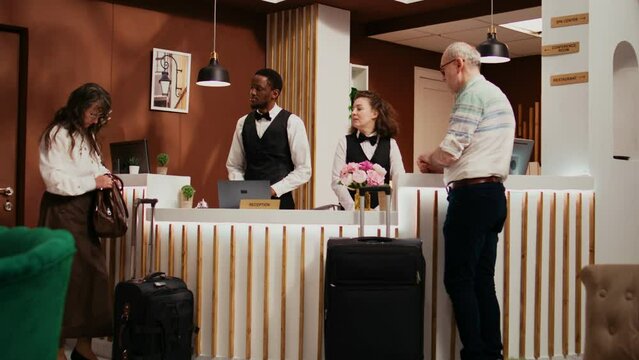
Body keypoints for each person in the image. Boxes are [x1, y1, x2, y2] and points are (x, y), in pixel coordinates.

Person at [417, 42, 515, 360]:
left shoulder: (471, 94)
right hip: (494, 196)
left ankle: (474, 353)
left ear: (458, 64)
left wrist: (430, 158)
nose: (444, 81)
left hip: (472, 196)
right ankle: (492, 353)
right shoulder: (497, 93)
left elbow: (451, 148)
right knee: (483, 280)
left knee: (459, 279)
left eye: (444, 72)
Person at [38, 83, 114, 360]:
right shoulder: (57, 134)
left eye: (100, 115)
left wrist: (105, 176)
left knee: (94, 277)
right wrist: (92, 181)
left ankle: (84, 345)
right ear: (78, 106)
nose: (95, 119)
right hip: (61, 211)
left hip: (85, 213)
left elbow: (94, 168)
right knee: (63, 278)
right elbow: (53, 180)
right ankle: (56, 348)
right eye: (93, 112)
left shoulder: (88, 137)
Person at [226, 68, 312, 209]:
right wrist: (241, 188)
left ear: (274, 94)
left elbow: (303, 169)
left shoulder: (292, 122)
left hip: (281, 203)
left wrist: (274, 189)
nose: (252, 93)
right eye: (252, 88)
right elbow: (234, 165)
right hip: (247, 204)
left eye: (258, 89)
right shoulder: (242, 122)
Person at [331, 90, 405, 210]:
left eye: (359, 109)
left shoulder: (390, 144)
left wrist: (384, 208)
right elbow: (336, 181)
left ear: (374, 113)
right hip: (351, 214)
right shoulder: (344, 142)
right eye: (353, 109)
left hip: (382, 214)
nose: (354, 112)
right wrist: (353, 208)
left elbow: (399, 179)